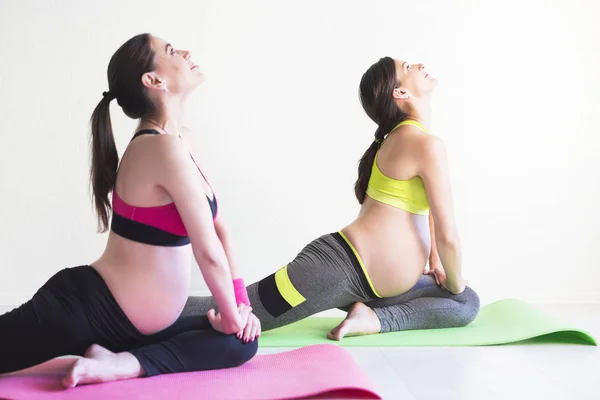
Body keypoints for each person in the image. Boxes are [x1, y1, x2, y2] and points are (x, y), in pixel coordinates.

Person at [0, 33, 258, 387]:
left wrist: (241, 310)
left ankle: (116, 362)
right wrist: (233, 318)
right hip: (85, 311)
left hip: (128, 328)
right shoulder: (160, 149)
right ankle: (119, 363)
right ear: (153, 80)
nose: (185, 52)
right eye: (171, 51)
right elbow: (207, 252)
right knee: (233, 336)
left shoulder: (183, 140)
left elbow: (220, 229)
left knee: (240, 344)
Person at [183, 57, 480, 340]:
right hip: (331, 272)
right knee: (231, 308)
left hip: (373, 287)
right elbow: (448, 235)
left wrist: (436, 263)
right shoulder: (424, 144)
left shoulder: (412, 140)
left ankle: (372, 319)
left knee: (465, 303)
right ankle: (141, 314)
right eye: (408, 66)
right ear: (400, 91)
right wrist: (453, 281)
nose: (419, 65)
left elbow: (425, 209)